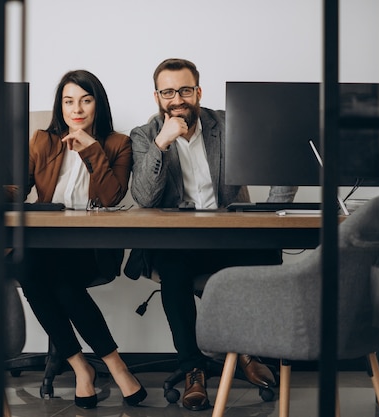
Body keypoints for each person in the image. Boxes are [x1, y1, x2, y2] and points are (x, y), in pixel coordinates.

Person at [124, 58, 298, 411]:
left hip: (231, 235)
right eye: (169, 91)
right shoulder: (144, 135)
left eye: (185, 90)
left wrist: (270, 212)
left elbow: (285, 154)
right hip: (178, 242)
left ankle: (245, 351)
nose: (178, 99)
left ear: (198, 91)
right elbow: (144, 197)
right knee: (173, 273)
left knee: (268, 255)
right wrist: (161, 145)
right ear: (157, 96)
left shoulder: (229, 123)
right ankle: (192, 369)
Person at [16, 69, 146, 409]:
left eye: (85, 101)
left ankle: (105, 366)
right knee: (32, 271)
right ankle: (84, 366)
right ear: (60, 106)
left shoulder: (118, 143)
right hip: (45, 243)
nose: (77, 109)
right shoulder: (42, 140)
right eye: (69, 101)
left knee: (49, 277)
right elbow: (20, 188)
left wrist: (91, 150)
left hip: (91, 247)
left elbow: (111, 197)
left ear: (97, 104)